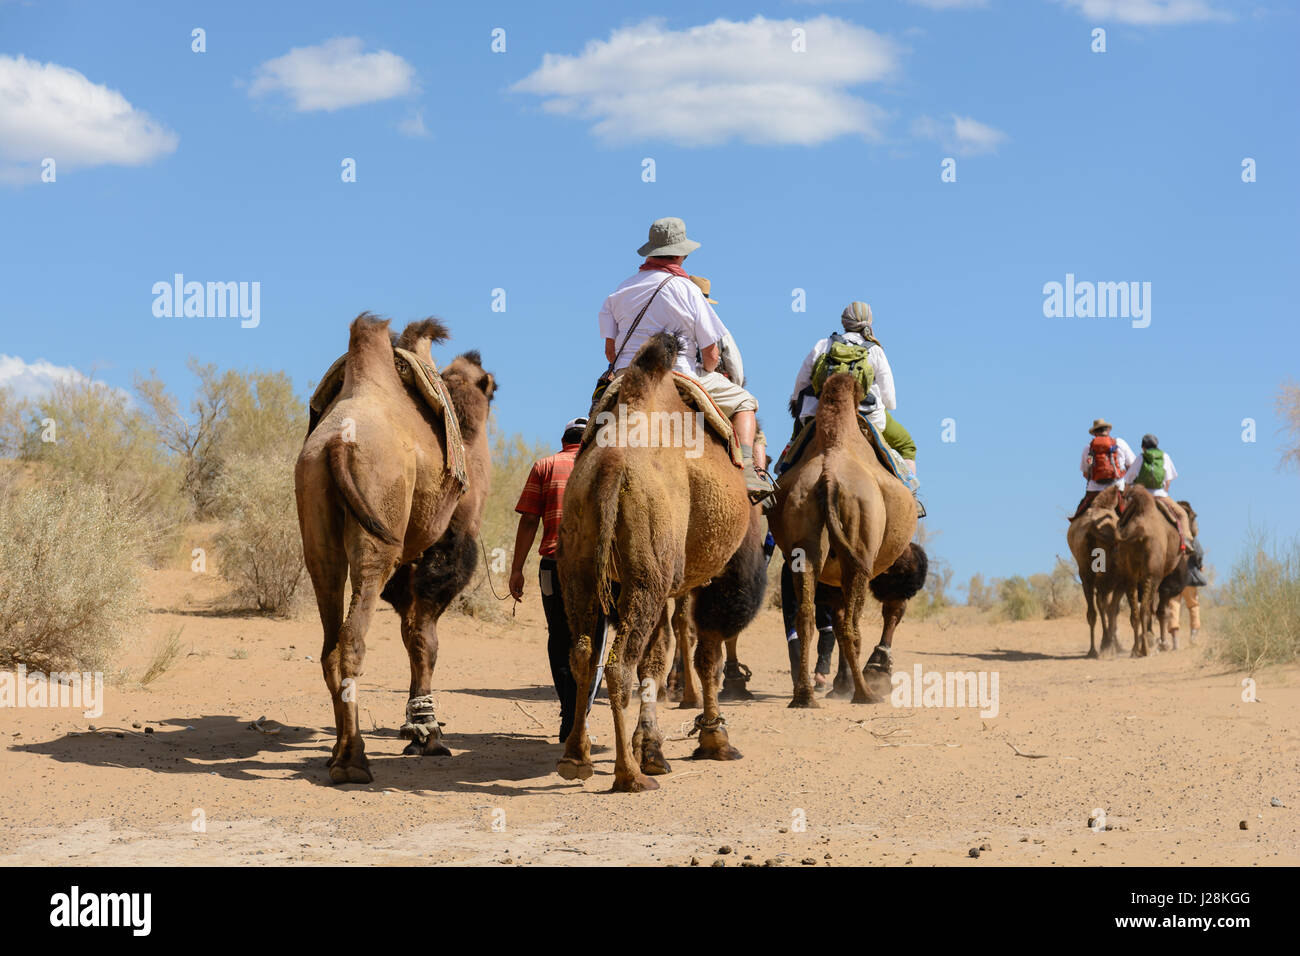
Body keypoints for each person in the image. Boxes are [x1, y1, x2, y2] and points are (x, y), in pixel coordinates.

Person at [598, 217, 771, 498]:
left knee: (596, 415)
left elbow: (610, 351)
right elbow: (711, 353)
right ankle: (750, 469)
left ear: (651, 251)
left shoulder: (620, 290)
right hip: (678, 375)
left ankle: (580, 458)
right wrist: (708, 370)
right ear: (681, 254)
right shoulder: (688, 290)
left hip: (626, 377)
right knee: (745, 402)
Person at [509, 416, 593, 741]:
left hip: (552, 567)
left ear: (563, 442)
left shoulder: (545, 466)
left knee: (558, 637)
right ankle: (580, 715)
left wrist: (516, 569)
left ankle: (569, 713)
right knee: (591, 639)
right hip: (594, 570)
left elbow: (529, 520)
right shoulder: (600, 464)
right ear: (586, 442)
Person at [790, 301, 895, 432]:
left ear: (844, 322)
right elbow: (890, 400)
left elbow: (802, 381)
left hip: (817, 411)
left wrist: (795, 401)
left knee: (796, 445)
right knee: (906, 444)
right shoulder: (875, 350)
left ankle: (790, 446)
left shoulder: (823, 344)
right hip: (868, 415)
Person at [1123, 433, 1188, 549]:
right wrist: (1164, 494)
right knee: (1182, 515)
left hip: (1142, 496)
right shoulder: (1165, 457)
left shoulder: (1141, 457)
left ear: (1143, 447)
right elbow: (1168, 481)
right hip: (1160, 495)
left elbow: (1128, 479)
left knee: (1123, 518)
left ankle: (1117, 543)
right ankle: (1186, 542)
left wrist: (1125, 495)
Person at [1070, 418, 1136, 520]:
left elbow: (1085, 474)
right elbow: (1132, 467)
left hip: (1094, 490)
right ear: (1108, 431)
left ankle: (1073, 526)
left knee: (1077, 517)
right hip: (1118, 489)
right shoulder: (1120, 443)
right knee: (1132, 520)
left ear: (1094, 433)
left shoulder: (1088, 448)